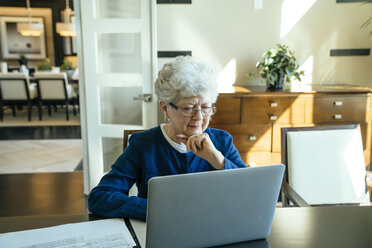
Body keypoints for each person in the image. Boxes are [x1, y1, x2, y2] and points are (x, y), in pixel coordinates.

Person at [88, 56, 246, 220]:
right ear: (165, 107)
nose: (199, 117)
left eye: (206, 107)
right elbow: (99, 198)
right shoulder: (142, 145)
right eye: (188, 108)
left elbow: (249, 192)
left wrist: (217, 159)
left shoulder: (222, 142)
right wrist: (160, 210)